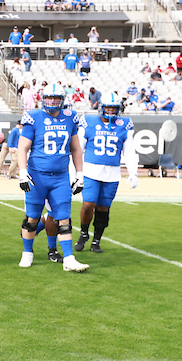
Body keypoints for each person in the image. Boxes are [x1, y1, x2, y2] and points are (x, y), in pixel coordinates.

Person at [16, 82, 88, 271]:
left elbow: (76, 149)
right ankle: (27, 252)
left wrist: (80, 175)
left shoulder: (70, 117)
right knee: (32, 218)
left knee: (64, 219)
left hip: (60, 177)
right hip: (37, 176)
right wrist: (23, 172)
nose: (52, 101)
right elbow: (23, 148)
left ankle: (69, 259)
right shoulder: (33, 117)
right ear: (42, 99)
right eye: (49, 97)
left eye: (56, 98)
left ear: (62, 100)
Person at [75, 92, 139, 255]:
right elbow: (78, 149)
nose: (110, 111)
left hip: (112, 173)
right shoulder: (88, 121)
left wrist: (133, 173)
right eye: (107, 108)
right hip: (91, 170)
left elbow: (129, 151)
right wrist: (76, 172)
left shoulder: (124, 124)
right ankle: (83, 233)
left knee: (103, 208)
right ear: (101, 107)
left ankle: (96, 240)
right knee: (88, 203)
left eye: (113, 108)